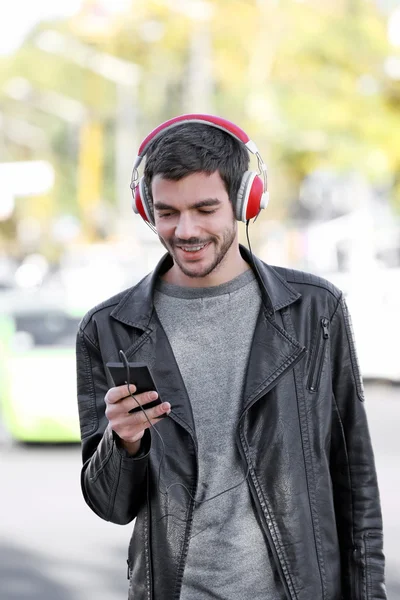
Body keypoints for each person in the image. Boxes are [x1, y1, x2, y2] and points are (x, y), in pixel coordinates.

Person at [76, 114, 386, 600]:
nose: (186, 230)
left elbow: (355, 478)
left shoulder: (315, 310)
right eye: (168, 212)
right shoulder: (109, 328)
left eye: (205, 208)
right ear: (145, 209)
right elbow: (111, 505)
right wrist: (124, 444)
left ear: (246, 202)